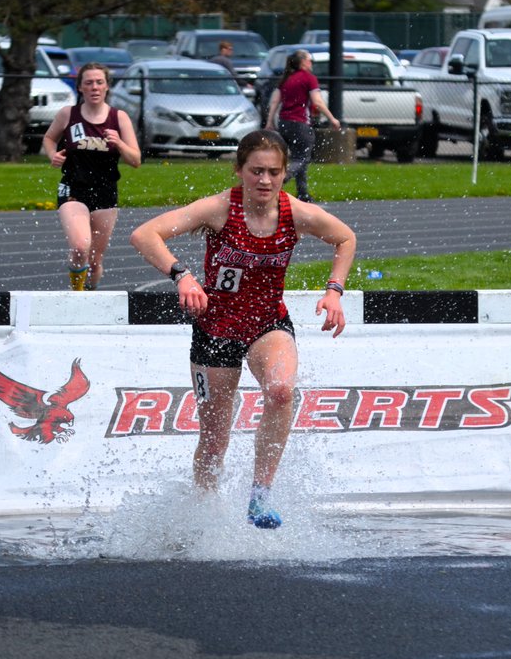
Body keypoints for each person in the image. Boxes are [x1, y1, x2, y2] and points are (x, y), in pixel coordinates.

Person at [129, 129, 356, 529]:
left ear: (285, 174)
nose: (264, 181)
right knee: (215, 438)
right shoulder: (219, 209)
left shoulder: (296, 213)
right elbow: (145, 234)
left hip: (267, 323)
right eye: (256, 171)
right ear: (239, 171)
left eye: (273, 172)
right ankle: (202, 511)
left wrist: (334, 290)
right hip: (215, 329)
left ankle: (260, 494)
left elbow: (345, 238)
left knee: (282, 389)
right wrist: (181, 276)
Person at [43, 62, 141, 291]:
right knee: (79, 247)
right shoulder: (69, 114)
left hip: (105, 192)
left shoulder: (119, 118)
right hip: (73, 189)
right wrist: (52, 155)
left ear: (107, 87)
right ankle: (77, 295)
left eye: (99, 82)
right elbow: (48, 138)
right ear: (80, 88)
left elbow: (135, 160)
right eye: (89, 83)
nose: (94, 87)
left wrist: (119, 144)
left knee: (95, 261)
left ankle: (90, 296)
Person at [264, 49, 341, 203]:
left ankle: (303, 193)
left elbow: (274, 102)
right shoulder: (308, 78)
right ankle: (281, 179)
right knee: (302, 158)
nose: (311, 63)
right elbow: (317, 102)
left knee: (298, 156)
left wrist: (269, 121)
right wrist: (332, 118)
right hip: (300, 123)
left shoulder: (286, 78)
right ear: (303, 62)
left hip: (284, 123)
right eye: (309, 60)